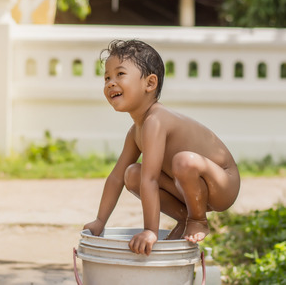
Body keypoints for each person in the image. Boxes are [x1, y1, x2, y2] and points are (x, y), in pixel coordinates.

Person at [83, 39, 240, 256]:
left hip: (222, 184)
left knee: (183, 161)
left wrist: (150, 230)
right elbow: (117, 177)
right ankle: (185, 218)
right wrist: (100, 221)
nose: (111, 82)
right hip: (190, 187)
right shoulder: (135, 131)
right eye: (107, 77)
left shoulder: (156, 120)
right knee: (131, 174)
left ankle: (198, 220)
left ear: (150, 83)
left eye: (120, 74)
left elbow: (152, 179)